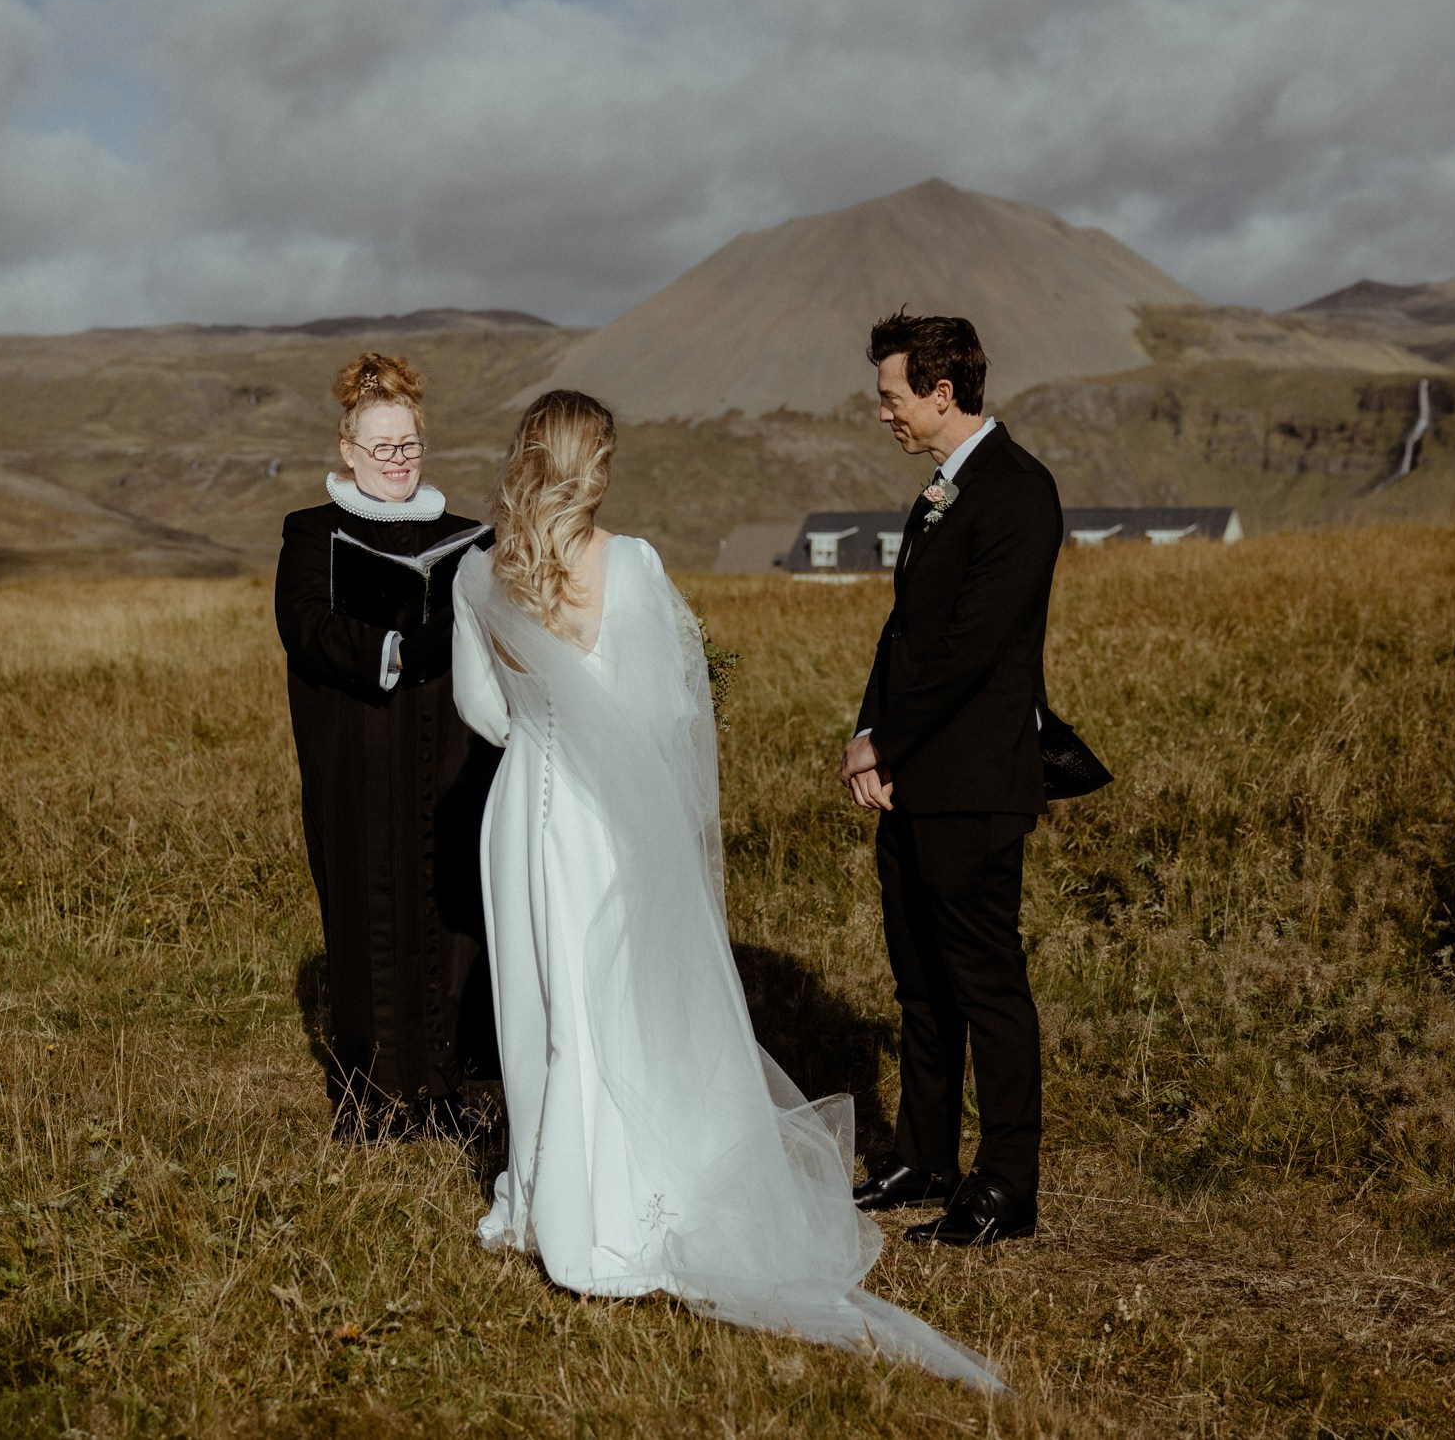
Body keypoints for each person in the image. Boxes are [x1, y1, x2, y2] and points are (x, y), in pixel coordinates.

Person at [452, 390, 1001, 1389]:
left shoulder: (475, 574)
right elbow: (666, 711)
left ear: (524, 458)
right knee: (621, 1005)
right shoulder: (638, 565)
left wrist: (543, 711)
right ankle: (625, 1208)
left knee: (538, 1005)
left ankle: (548, 1206)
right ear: (600, 467)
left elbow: (482, 714)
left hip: (523, 817)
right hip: (611, 820)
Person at [840, 310, 1063, 1247]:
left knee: (986, 982)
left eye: (892, 396)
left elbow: (973, 650)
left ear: (941, 392)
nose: (883, 412)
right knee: (920, 982)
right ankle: (923, 1155)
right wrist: (867, 727)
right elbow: (908, 634)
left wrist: (884, 742)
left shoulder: (1017, 492)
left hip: (975, 780)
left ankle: (1007, 1180)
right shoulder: (940, 493)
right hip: (916, 778)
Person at [275, 351, 499, 1141]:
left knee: (449, 905)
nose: (398, 463)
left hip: (445, 747)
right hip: (356, 750)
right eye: (382, 448)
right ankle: (370, 1098)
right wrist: (397, 646)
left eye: (409, 447)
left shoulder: (464, 537)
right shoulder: (311, 532)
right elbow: (305, 625)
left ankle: (442, 1087)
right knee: (367, 907)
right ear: (348, 448)